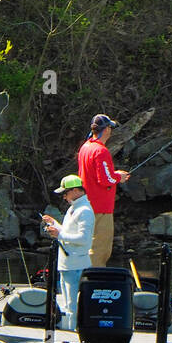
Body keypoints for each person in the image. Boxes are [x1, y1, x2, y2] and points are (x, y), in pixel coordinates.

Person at [77, 113, 129, 268]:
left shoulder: (85, 147)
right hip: (100, 209)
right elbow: (106, 179)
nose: (111, 131)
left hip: (86, 204)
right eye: (110, 127)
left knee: (87, 246)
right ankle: (93, 284)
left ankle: (82, 282)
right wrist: (119, 177)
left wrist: (114, 175)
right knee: (100, 250)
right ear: (106, 130)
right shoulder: (101, 151)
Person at [42, 174, 94, 330]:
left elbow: (84, 239)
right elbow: (67, 231)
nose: (64, 196)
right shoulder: (74, 208)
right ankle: (71, 331)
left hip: (76, 265)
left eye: (66, 192)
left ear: (77, 191)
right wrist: (55, 224)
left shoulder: (84, 210)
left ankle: (74, 334)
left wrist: (59, 234)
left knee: (73, 304)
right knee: (67, 303)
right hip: (67, 265)